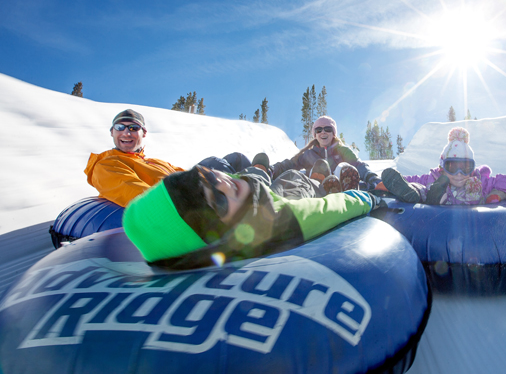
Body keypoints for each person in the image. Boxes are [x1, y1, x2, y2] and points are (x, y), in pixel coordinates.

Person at [123, 165, 384, 268]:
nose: (224, 184)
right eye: (219, 203)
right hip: (285, 200)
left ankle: (313, 177)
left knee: (283, 179)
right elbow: (333, 208)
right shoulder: (282, 223)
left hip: (263, 194)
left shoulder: (236, 190)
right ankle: (318, 181)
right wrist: (368, 198)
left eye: (209, 176)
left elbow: (231, 183)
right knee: (297, 183)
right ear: (219, 238)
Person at [84, 109, 253, 207]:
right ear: (112, 132)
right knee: (214, 164)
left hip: (191, 193)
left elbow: (186, 174)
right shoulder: (107, 164)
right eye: (120, 127)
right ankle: (257, 200)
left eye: (134, 128)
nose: (126, 133)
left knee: (236, 159)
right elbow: (138, 195)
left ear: (143, 133)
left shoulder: (155, 162)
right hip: (179, 205)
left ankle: (263, 186)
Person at [381, 127, 506, 205]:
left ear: (472, 169)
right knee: (423, 188)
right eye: (452, 167)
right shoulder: (435, 178)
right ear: (442, 169)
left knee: (426, 190)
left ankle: (432, 198)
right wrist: (385, 184)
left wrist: (497, 194)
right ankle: (413, 193)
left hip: (470, 223)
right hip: (437, 209)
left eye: (465, 168)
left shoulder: (480, 181)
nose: (459, 174)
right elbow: (412, 178)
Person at [271, 116, 381, 192]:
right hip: (315, 191)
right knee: (310, 171)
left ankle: (342, 184)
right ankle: (323, 185)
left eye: (327, 129)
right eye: (319, 130)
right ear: (315, 134)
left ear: (333, 134)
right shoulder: (308, 154)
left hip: (342, 192)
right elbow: (288, 164)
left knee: (344, 167)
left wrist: (372, 178)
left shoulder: (342, 150)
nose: (323, 132)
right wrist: (270, 170)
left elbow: (359, 165)